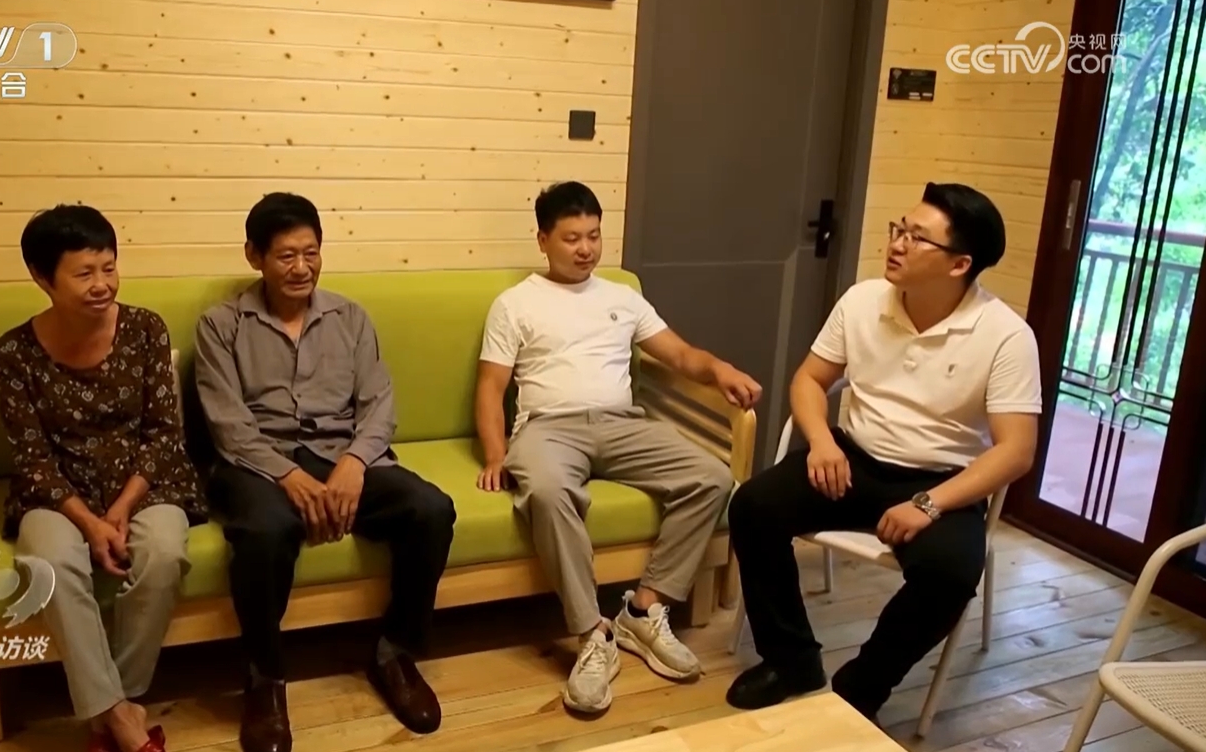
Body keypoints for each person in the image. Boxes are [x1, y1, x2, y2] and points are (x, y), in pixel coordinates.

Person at [725, 183, 1042, 721]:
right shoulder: (862, 300)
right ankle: (790, 660)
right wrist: (822, 441)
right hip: (851, 459)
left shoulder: (1006, 336)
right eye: (900, 229)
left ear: (959, 264)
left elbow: (1016, 451)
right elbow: (809, 379)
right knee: (753, 507)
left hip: (942, 482)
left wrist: (929, 504)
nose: (896, 244)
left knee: (950, 574)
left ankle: (861, 689)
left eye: (917, 238)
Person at [474, 181, 761, 715]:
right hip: (548, 429)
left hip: (622, 425)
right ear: (543, 240)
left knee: (713, 477)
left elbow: (680, 355)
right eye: (571, 238)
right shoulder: (515, 304)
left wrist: (719, 369)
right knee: (547, 490)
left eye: (594, 236)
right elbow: (491, 387)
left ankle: (644, 610)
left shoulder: (622, 298)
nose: (585, 249)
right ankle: (593, 634)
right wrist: (496, 454)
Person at [195, 192, 457, 752]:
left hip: (340, 453)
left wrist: (355, 464)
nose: (301, 267)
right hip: (256, 462)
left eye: (311, 253)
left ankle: (395, 651)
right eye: (286, 255)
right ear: (255, 256)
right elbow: (227, 424)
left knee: (430, 509)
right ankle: (265, 678)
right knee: (267, 530)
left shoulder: (350, 317)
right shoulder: (221, 325)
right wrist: (288, 477)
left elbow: (379, 405)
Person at [0, 205, 208, 752]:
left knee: (163, 552)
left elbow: (163, 433)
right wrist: (89, 522)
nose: (102, 285)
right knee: (49, 561)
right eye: (84, 273)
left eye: (109, 268)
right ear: (42, 277)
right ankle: (122, 718)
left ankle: (114, 708)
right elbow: (32, 457)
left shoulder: (145, 329)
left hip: (145, 483)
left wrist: (119, 509)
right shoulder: (13, 352)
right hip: (57, 493)